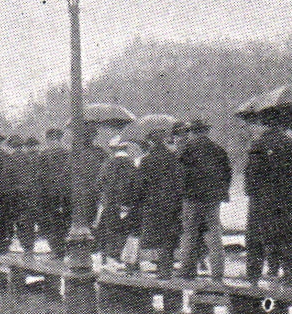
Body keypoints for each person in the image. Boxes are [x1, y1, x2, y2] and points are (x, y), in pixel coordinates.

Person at [243, 118, 292, 287]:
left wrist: (251, 193)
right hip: (287, 199)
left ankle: (253, 275)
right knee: (289, 237)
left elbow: (251, 173)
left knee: (256, 238)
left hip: (261, 200)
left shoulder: (258, 145)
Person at [177, 119, 232, 282]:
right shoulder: (219, 150)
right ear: (207, 132)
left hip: (192, 198)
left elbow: (180, 175)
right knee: (214, 233)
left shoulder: (186, 150)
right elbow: (227, 175)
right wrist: (220, 192)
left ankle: (187, 270)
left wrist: (182, 193)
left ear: (192, 132)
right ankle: (217, 271)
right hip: (213, 199)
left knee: (189, 234)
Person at [133, 122, 184, 279]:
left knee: (154, 236)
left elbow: (140, 185)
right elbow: (179, 181)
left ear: (151, 142)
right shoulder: (174, 158)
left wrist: (139, 200)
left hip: (152, 204)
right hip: (172, 203)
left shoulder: (146, 161)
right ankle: (166, 267)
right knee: (169, 236)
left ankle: (157, 270)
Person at [94, 139, 141, 266]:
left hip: (109, 203)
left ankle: (107, 257)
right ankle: (121, 257)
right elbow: (137, 185)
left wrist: (105, 197)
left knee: (108, 229)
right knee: (126, 231)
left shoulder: (107, 164)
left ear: (113, 150)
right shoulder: (131, 165)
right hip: (127, 204)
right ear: (126, 149)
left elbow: (98, 184)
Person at [35, 127, 72, 258]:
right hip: (66, 194)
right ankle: (65, 249)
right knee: (65, 220)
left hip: (49, 195)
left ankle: (57, 249)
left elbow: (39, 176)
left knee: (52, 221)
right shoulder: (68, 153)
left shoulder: (44, 154)